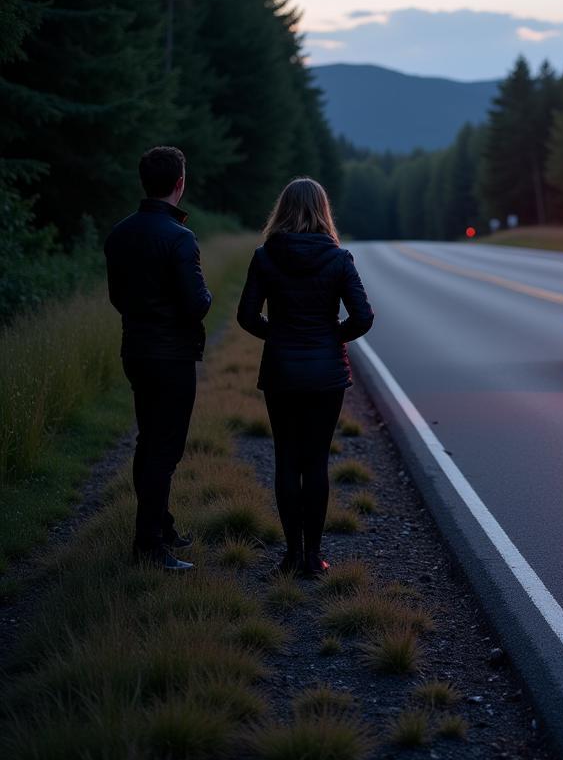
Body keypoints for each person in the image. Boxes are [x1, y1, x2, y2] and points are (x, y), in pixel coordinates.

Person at [237, 177, 373, 577]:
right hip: (325, 374)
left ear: (282, 210)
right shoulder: (338, 258)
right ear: (323, 211)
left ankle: (290, 556)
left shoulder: (265, 256)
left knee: (286, 459)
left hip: (281, 370)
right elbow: (363, 317)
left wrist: (278, 336)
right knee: (316, 462)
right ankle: (314, 558)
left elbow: (246, 316)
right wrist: (331, 339)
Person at [104, 146, 212, 571]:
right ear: (180, 183)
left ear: (144, 181)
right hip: (172, 357)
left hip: (136, 349)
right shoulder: (180, 238)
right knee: (164, 450)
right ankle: (148, 545)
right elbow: (198, 303)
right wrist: (207, 295)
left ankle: (160, 526)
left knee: (148, 441)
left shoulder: (119, 233)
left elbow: (117, 298)